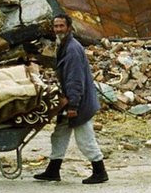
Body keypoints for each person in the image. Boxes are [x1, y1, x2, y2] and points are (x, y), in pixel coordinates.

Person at [33, 13, 108, 184]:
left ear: (69, 27)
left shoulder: (72, 49)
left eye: (61, 26)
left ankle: (100, 171)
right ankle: (53, 170)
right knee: (59, 134)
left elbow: (75, 80)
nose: (58, 29)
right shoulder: (64, 45)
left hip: (79, 103)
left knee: (85, 139)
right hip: (70, 100)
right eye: (56, 26)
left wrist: (73, 106)